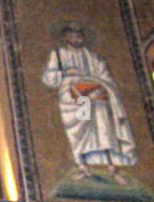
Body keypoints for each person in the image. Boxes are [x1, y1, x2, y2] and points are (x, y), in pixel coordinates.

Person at [41, 23, 136, 184]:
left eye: (79, 36)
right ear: (66, 37)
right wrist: (65, 73)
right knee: (81, 129)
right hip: (75, 97)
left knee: (104, 128)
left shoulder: (93, 57)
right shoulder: (58, 55)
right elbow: (49, 78)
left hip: (96, 96)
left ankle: (112, 168)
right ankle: (84, 168)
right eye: (72, 36)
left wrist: (101, 88)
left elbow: (105, 77)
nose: (76, 39)